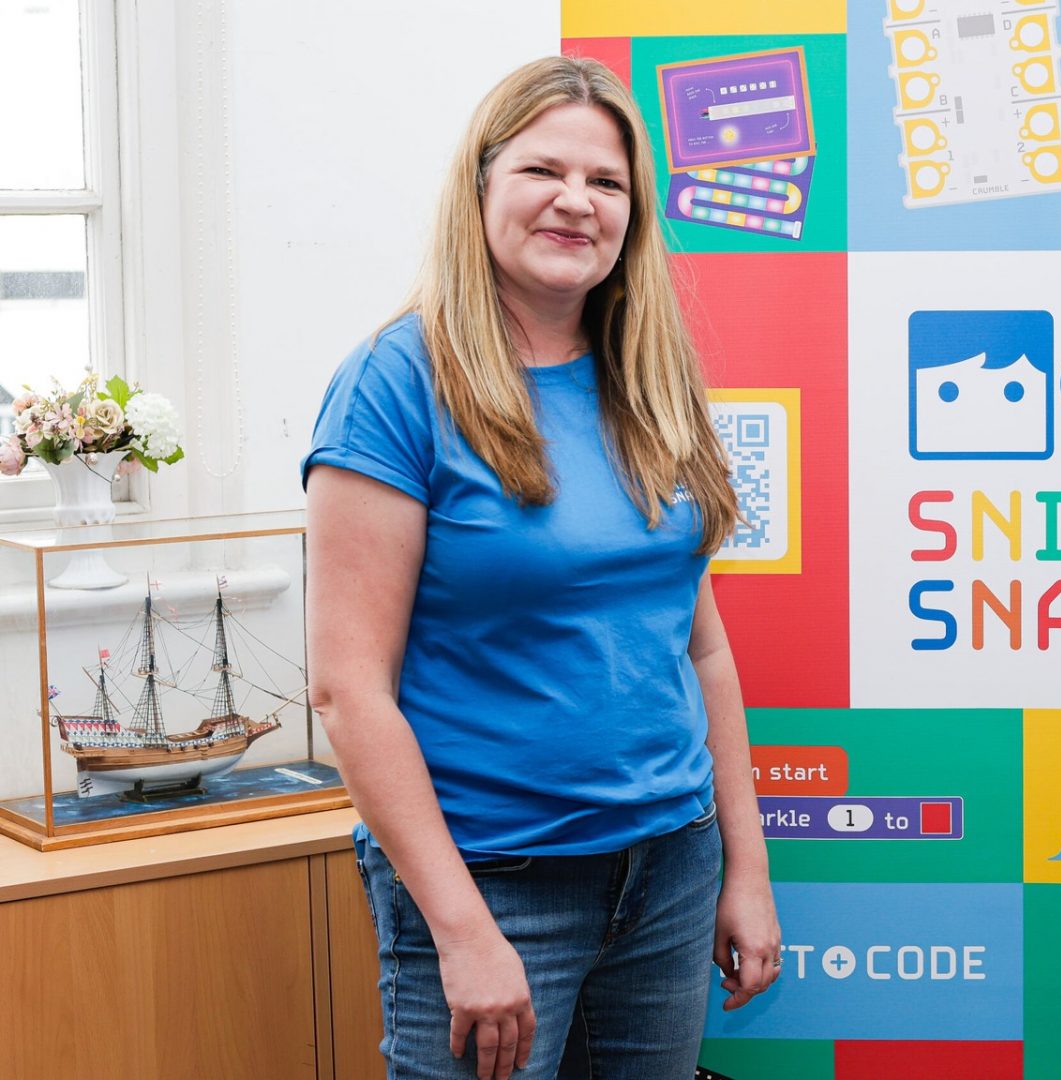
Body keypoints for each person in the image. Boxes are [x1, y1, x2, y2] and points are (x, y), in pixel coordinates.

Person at [305, 56, 779, 1080]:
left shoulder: (649, 381)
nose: (576, 202)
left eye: (606, 183)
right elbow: (351, 693)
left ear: (634, 216)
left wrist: (746, 865)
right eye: (542, 171)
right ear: (480, 187)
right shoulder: (395, 385)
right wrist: (464, 930)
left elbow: (699, 648)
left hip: (669, 867)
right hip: (491, 880)